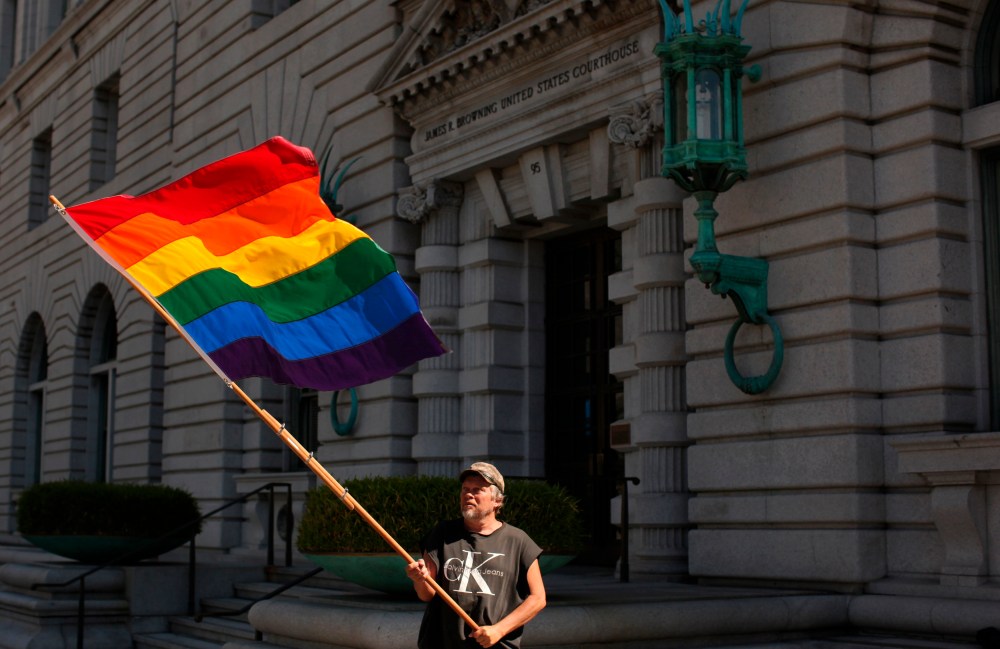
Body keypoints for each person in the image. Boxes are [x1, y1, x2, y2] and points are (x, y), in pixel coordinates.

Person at [406, 462, 547, 648]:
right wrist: (420, 579)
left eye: (478, 490)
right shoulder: (442, 533)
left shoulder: (518, 541)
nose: (468, 494)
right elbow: (427, 594)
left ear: (497, 500)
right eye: (465, 489)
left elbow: (538, 598)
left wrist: (499, 630)